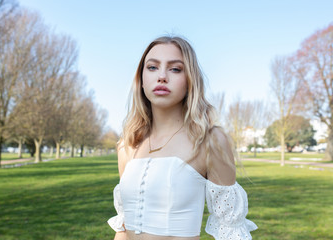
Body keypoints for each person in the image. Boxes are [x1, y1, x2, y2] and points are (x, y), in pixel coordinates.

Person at [107, 35, 258, 240]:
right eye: (152, 67)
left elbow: (230, 231)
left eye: (175, 69)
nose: (162, 76)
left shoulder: (210, 140)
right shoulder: (128, 144)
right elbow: (123, 228)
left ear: (190, 80)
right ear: (141, 80)